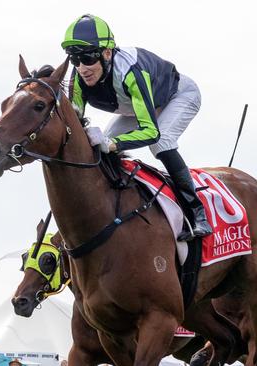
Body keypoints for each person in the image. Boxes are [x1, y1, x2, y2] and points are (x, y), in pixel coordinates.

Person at [61, 14, 212, 241]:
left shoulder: (130, 72)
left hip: (178, 95)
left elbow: (151, 132)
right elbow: (74, 123)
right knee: (98, 150)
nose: (82, 68)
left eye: (88, 58)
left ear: (107, 53)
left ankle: (197, 213)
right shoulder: (79, 77)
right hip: (136, 105)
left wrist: (112, 144)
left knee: (161, 143)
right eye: (75, 59)